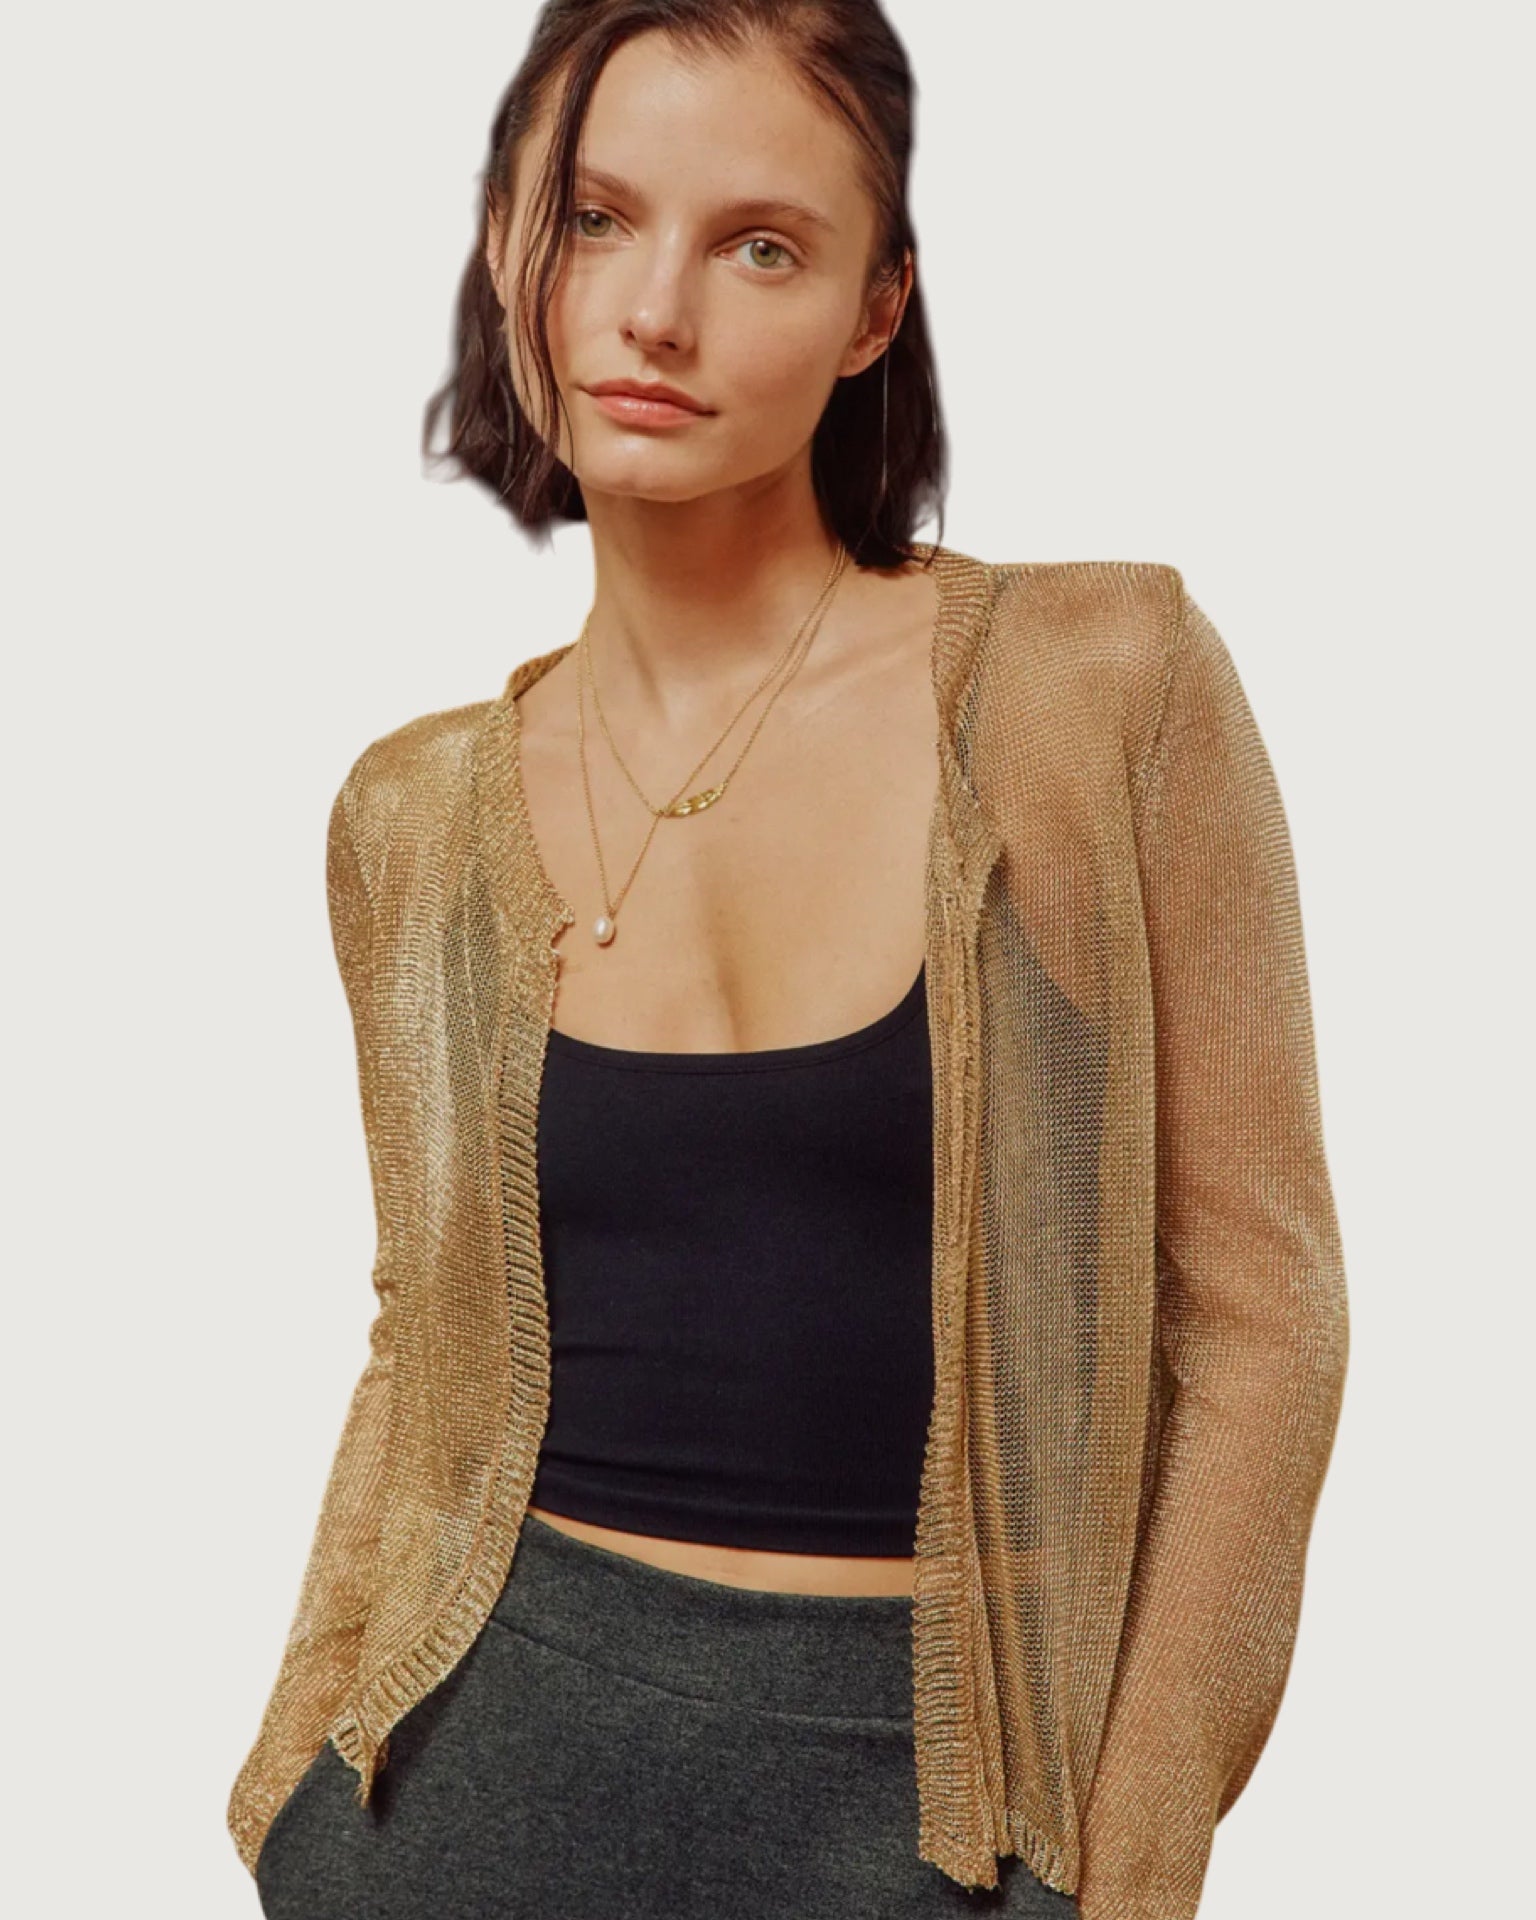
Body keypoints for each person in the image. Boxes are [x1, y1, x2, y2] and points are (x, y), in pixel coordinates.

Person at [229, 3, 1350, 1917]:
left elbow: (1259, 1316)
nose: (653, 312)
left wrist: (1129, 1871)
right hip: (470, 1794)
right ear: (508, 240)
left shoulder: (1094, 691)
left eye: (760, 245)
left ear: (872, 308)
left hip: (937, 1807)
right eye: (596, 218)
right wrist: (298, 1788)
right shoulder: (411, 816)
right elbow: (426, 1331)